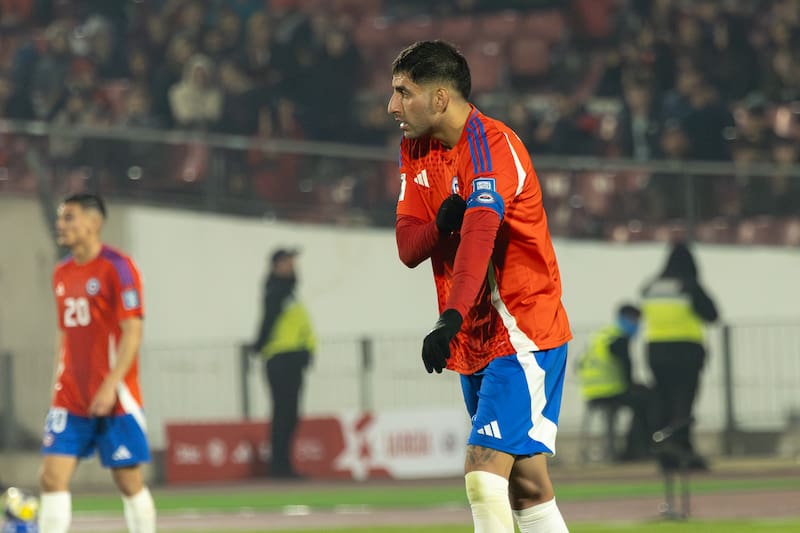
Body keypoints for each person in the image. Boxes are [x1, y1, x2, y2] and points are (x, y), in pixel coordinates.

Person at [389, 40, 572, 533]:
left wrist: (448, 316)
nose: (392, 107)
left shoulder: (490, 148)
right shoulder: (416, 148)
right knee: (527, 487)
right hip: (475, 336)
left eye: (404, 92)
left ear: (440, 98)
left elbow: (479, 237)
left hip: (521, 329)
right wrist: (440, 226)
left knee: (483, 471)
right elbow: (408, 247)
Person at [38, 193, 156, 533]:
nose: (61, 225)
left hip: (115, 397)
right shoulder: (61, 272)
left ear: (94, 222)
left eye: (69, 217)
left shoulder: (118, 267)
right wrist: (57, 381)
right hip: (70, 396)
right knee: (51, 477)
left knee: (128, 479)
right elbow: (65, 332)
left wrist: (110, 386)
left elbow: (133, 331)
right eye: (60, 218)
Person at [641, 241, 719, 471]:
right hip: (686, 352)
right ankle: (683, 451)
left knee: (663, 402)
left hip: (656, 352)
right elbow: (712, 314)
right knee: (683, 404)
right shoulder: (689, 286)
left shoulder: (651, 288)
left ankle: (665, 454)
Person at [249, 248, 315, 479]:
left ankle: (283, 465)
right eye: (288, 262)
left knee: (289, 414)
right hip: (282, 358)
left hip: (291, 358)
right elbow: (268, 319)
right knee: (284, 414)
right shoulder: (278, 290)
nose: (293, 265)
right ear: (277, 265)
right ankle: (279, 467)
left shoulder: (288, 290)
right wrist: (258, 345)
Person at [577, 304, 654, 461]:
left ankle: (632, 449)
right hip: (610, 392)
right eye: (636, 320)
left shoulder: (602, 335)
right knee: (648, 401)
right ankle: (638, 449)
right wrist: (633, 385)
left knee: (641, 399)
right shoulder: (619, 339)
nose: (637, 325)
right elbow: (626, 369)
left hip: (591, 392)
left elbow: (579, 364)